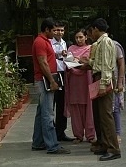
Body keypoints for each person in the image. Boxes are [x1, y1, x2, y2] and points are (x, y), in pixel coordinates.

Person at [79, 18, 121, 161]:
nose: (91, 33)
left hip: (103, 79)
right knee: (99, 114)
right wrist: (88, 62)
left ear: (96, 29)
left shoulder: (105, 42)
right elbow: (100, 63)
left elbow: (106, 67)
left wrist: (103, 85)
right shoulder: (102, 43)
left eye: (92, 30)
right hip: (99, 78)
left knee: (105, 115)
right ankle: (104, 144)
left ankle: (113, 149)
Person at [31, 18, 70, 154]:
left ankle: (38, 142)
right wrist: (52, 81)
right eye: (53, 30)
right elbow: (43, 63)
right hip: (44, 80)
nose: (55, 33)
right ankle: (52, 145)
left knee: (41, 112)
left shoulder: (44, 41)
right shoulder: (40, 42)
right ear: (46, 29)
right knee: (48, 114)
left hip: (44, 79)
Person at [64, 29, 96, 144]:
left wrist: (80, 62)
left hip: (86, 82)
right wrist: (76, 62)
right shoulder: (71, 49)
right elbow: (68, 64)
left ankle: (90, 135)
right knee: (75, 107)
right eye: (77, 37)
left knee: (89, 108)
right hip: (74, 82)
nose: (79, 40)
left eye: (81, 37)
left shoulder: (91, 48)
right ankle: (78, 135)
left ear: (86, 37)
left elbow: (91, 64)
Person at [51, 20, 74, 141]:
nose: (59, 32)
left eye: (61, 30)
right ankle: (51, 133)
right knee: (51, 105)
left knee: (62, 105)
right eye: (56, 30)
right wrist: (60, 53)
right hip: (53, 75)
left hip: (64, 74)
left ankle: (60, 132)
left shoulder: (65, 43)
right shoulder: (49, 43)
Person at [111, 38, 125, 144]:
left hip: (114, 82)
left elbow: (121, 64)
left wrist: (119, 82)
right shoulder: (97, 45)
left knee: (115, 108)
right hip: (104, 83)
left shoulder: (115, 45)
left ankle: (117, 133)